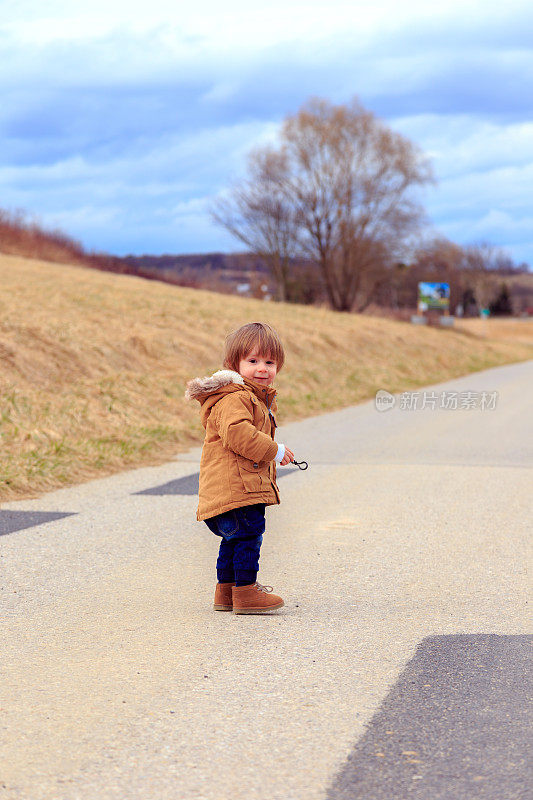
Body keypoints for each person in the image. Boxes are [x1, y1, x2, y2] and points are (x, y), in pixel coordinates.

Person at [185, 322, 294, 614]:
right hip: (238, 485)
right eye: (253, 361)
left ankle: (225, 592)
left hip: (233, 484)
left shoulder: (247, 397)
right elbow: (238, 435)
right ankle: (246, 593)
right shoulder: (237, 397)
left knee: (233, 539)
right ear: (234, 364)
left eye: (270, 362)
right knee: (249, 536)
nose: (262, 368)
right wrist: (276, 450)